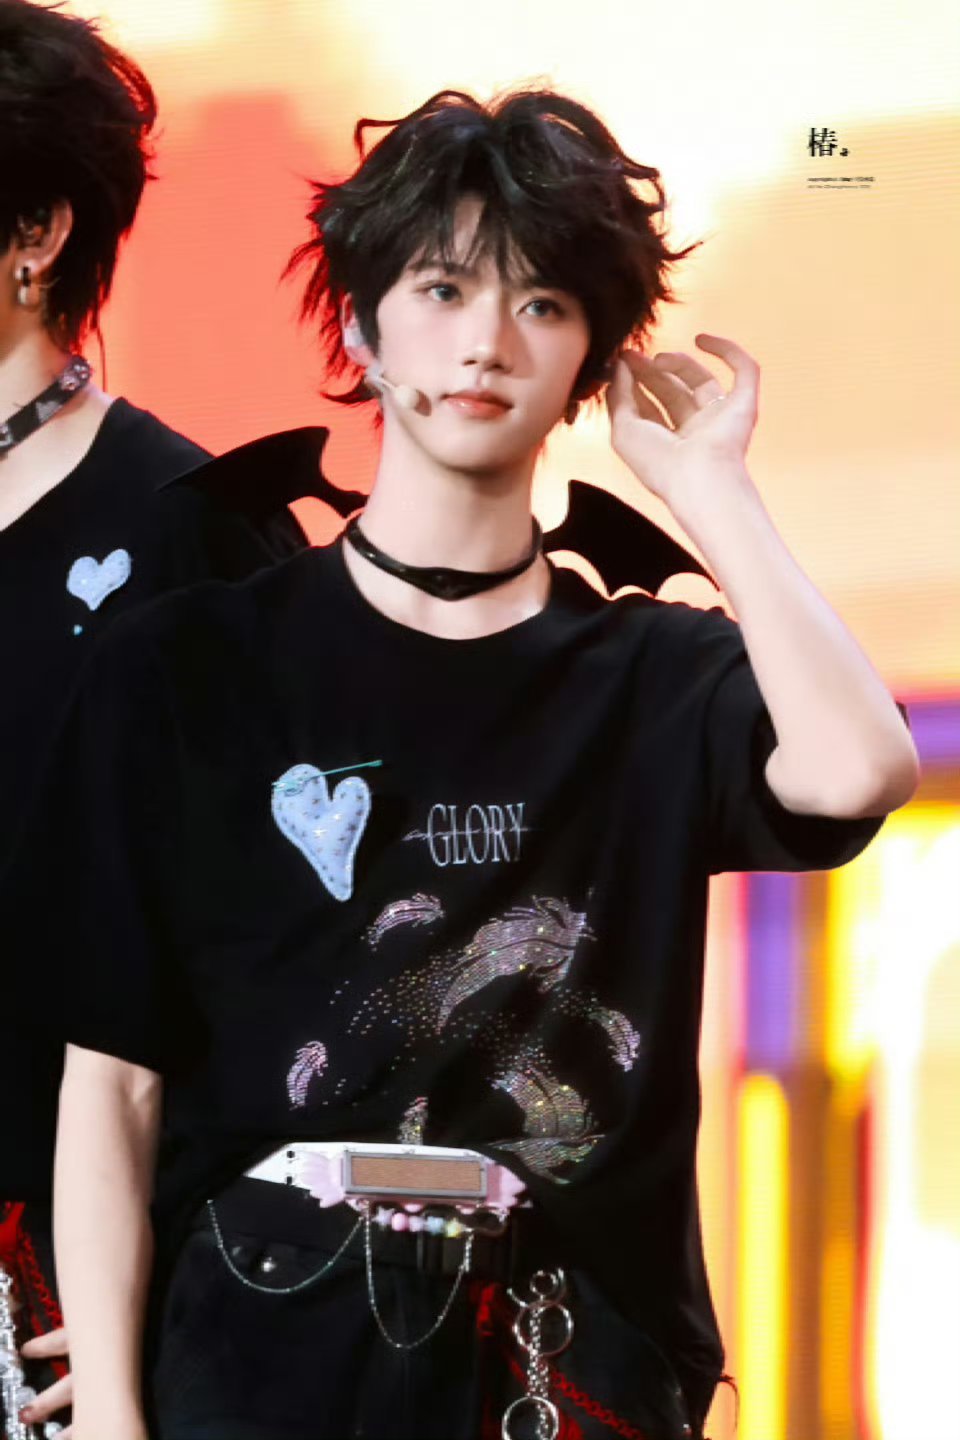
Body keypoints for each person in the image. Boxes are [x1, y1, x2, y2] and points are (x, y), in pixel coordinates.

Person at [37, 88, 918, 1440]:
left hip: (559, 1364)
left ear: (592, 358)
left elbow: (857, 771)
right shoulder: (188, 667)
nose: (486, 344)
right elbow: (112, 1083)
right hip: (256, 1349)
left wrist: (713, 491)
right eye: (443, 289)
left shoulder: (650, 676)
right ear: (361, 322)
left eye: (543, 305)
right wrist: (110, 1414)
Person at [0, 3, 316, 1432]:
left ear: (36, 231)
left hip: (70, 1319)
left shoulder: (202, 542)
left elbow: (303, 965)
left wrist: (174, 1290)